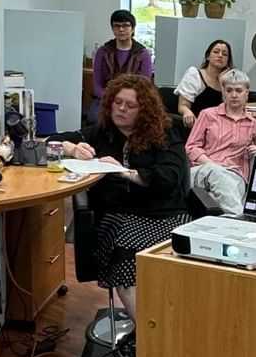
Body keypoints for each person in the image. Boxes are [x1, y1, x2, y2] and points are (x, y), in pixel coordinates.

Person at [53, 73, 192, 341]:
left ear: (145, 110)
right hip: (119, 216)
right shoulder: (101, 133)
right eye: (117, 103)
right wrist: (71, 148)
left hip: (165, 213)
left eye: (130, 105)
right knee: (126, 256)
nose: (121, 109)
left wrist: (125, 172)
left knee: (169, 258)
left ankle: (171, 333)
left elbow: (169, 177)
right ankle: (152, 339)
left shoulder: (165, 133)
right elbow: (50, 140)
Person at [185, 68, 256, 214]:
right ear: (223, 92)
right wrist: (211, 165)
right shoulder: (207, 115)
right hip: (202, 169)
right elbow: (191, 147)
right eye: (229, 90)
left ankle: (228, 225)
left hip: (234, 175)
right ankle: (239, 224)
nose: (233, 95)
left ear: (247, 93)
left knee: (214, 199)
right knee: (212, 173)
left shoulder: (254, 125)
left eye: (238, 91)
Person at [91, 9, 154, 98]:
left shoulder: (142, 54)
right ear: (112, 29)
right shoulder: (103, 52)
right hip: (106, 99)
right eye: (117, 26)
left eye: (125, 26)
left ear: (133, 29)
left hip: (133, 101)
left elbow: (145, 87)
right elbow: (97, 86)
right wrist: (112, 100)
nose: (121, 29)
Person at [175, 37, 233, 126]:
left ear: (228, 61)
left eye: (225, 54)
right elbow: (182, 106)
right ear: (208, 56)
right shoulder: (194, 74)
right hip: (197, 124)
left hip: (220, 126)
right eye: (216, 52)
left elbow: (231, 109)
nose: (220, 55)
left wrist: (222, 83)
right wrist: (187, 112)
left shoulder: (230, 80)